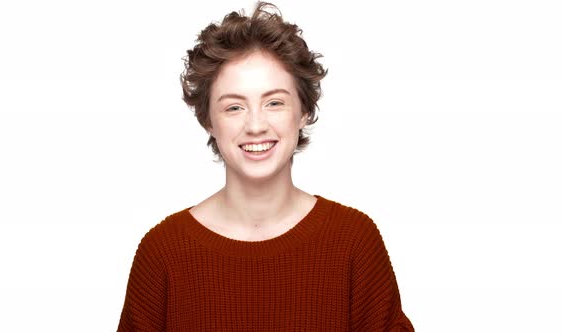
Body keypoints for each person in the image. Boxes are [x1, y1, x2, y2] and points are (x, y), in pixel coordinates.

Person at [118, 2, 414, 331]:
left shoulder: (354, 242)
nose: (256, 125)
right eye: (234, 107)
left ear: (303, 111)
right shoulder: (163, 252)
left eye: (274, 102)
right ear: (208, 121)